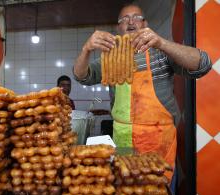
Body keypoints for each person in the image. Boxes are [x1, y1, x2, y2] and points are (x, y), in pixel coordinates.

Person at [73, 3, 212, 181]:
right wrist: (86, 49)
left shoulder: (160, 52)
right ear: (119, 28)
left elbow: (203, 65)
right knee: (127, 187)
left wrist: (162, 42)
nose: (130, 22)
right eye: (124, 19)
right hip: (123, 139)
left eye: (136, 17)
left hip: (158, 141)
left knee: (157, 189)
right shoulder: (110, 56)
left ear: (145, 24)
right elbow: (81, 76)